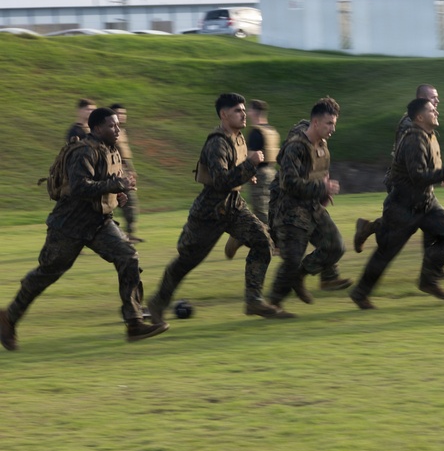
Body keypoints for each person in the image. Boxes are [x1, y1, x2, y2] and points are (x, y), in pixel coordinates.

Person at [1, 108, 167, 350]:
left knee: (128, 256)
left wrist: (118, 195)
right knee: (46, 274)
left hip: (99, 223)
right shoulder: (84, 151)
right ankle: (9, 317)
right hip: (69, 225)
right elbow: (80, 187)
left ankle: (134, 323)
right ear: (97, 128)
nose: (117, 129)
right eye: (112, 126)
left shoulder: (111, 151)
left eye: (118, 125)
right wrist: (116, 184)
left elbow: (106, 186)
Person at [147, 93, 289, 324]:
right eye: (237, 111)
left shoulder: (239, 138)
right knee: (186, 261)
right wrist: (250, 164)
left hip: (233, 205)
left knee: (263, 242)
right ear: (224, 115)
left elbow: (235, 172)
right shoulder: (217, 143)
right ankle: (157, 303)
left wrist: (248, 174)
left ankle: (253, 300)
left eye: (244, 110)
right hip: (210, 211)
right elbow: (221, 180)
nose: (243, 114)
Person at [350, 97, 444, 310]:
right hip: (403, 206)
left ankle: (428, 280)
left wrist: (443, 173)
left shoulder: (429, 136)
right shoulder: (413, 140)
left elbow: (428, 171)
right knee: (386, 252)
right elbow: (417, 176)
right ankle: (359, 293)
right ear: (419, 117)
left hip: (427, 202)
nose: (437, 112)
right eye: (431, 110)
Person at [266, 98, 350, 312]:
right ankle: (273, 304)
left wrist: (324, 193)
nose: (333, 129)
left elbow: (319, 176)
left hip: (313, 208)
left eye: (334, 123)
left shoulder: (322, 147)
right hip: (291, 211)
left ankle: (300, 276)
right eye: (329, 123)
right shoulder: (296, 147)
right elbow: (288, 183)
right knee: (291, 260)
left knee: (336, 246)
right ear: (315, 122)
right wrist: (322, 188)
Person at [225, 99, 281, 259]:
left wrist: (243, 175)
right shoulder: (272, 131)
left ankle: (239, 238)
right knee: (264, 212)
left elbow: (249, 157)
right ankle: (270, 243)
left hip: (260, 174)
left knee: (262, 212)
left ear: (255, 112)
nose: (246, 114)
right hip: (271, 173)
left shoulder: (255, 132)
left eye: (248, 110)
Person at [109, 103, 142, 243]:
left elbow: (126, 156)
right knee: (118, 203)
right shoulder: (109, 133)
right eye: (118, 114)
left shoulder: (122, 132)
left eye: (123, 113)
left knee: (130, 203)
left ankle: (129, 233)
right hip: (116, 173)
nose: (122, 116)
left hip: (125, 171)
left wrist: (131, 170)